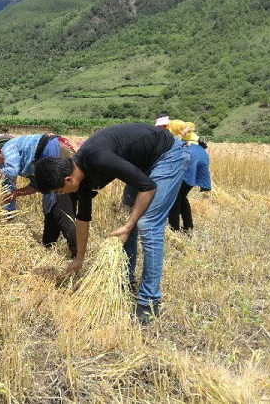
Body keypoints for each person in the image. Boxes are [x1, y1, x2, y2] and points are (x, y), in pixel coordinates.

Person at [34, 123, 191, 324]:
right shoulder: (80, 175)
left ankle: (148, 302)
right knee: (129, 216)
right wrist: (79, 259)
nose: (61, 194)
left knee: (147, 224)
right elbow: (83, 219)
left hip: (169, 155)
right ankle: (126, 281)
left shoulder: (99, 158)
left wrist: (128, 226)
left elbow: (148, 187)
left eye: (59, 191)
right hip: (143, 163)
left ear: (68, 179)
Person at [0, 133, 78, 257]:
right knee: (50, 202)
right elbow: (37, 185)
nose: (3, 164)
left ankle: (77, 251)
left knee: (61, 205)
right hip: (58, 152)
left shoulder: (7, 147)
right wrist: (16, 193)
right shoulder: (27, 159)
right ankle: (48, 243)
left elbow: (12, 172)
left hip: (55, 153)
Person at [168, 142, 211, 232]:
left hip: (190, 162)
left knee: (174, 197)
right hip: (199, 160)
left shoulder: (177, 143)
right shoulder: (198, 148)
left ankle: (174, 229)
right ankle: (188, 227)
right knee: (181, 196)